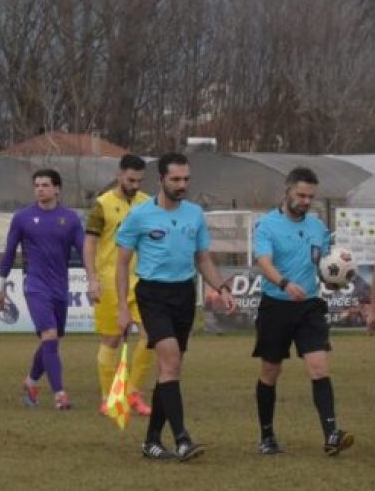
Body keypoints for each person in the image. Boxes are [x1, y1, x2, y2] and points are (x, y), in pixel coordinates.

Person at [116, 152, 236, 462]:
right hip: (153, 295)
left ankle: (152, 441)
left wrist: (220, 287)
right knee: (169, 362)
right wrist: (122, 307)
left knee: (170, 369)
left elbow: (203, 258)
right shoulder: (140, 215)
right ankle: (182, 439)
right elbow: (122, 263)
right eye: (176, 179)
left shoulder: (195, 214)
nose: (182, 185)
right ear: (161, 180)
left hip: (184, 294)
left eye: (186, 179)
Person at [252, 167, 353, 455]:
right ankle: (267, 436)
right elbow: (264, 261)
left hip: (309, 307)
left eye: (311, 196)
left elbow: (324, 267)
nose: (306, 201)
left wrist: (332, 282)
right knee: (270, 371)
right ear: (287, 191)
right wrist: (284, 283)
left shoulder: (318, 228)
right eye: (301, 195)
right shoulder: (266, 225)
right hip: (275, 306)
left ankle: (331, 434)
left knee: (319, 367)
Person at [0, 169, 85, 410]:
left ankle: (31, 381)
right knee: (50, 337)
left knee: (52, 341)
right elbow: (9, 253)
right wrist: (0, 288)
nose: (40, 189)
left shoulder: (71, 219)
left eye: (45, 185)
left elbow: (86, 252)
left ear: (57, 189)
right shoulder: (22, 218)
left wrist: (94, 278)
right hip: (34, 285)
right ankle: (60, 394)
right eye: (37, 185)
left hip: (60, 287)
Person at [84, 154, 154, 416]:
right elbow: (90, 243)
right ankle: (108, 398)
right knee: (111, 340)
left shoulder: (148, 204)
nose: (135, 185)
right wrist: (92, 278)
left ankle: (133, 392)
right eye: (130, 179)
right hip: (110, 281)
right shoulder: (102, 205)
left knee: (151, 337)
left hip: (143, 281)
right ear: (119, 175)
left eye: (139, 180)